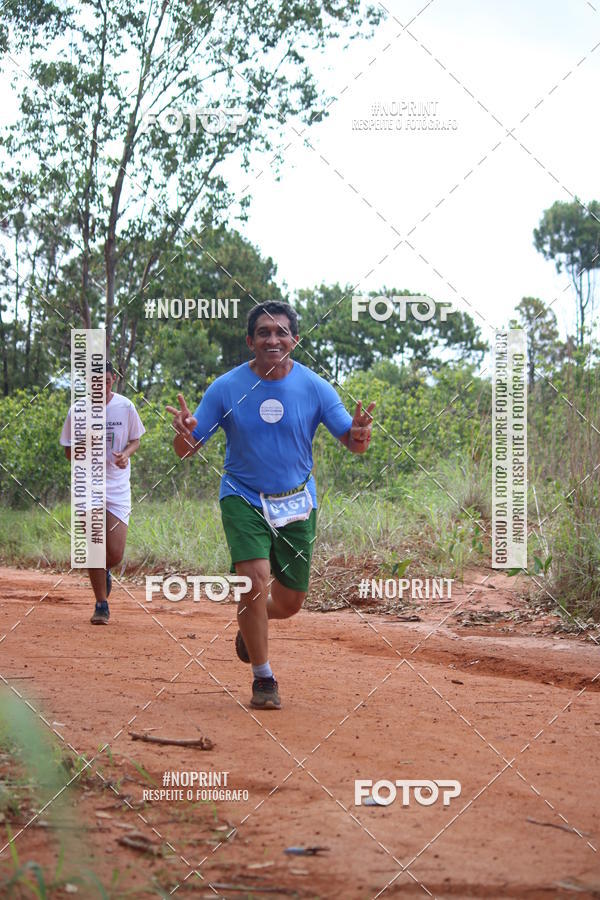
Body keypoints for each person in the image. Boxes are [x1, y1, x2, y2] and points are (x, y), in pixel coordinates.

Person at [166, 301, 374, 709]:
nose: (273, 339)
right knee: (254, 581)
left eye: (281, 332)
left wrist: (362, 433)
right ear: (250, 341)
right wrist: (184, 432)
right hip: (243, 496)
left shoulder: (315, 386)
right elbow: (187, 450)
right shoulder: (226, 387)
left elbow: (352, 443)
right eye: (263, 332)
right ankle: (264, 679)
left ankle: (251, 627)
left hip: (296, 501)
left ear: (294, 340)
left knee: (291, 601)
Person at [60, 361, 145, 624]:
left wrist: (125, 456)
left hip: (118, 485)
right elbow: (67, 451)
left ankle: (105, 571)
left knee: (115, 553)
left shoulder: (125, 406)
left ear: (113, 380)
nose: (101, 387)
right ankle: (101, 603)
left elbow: (136, 439)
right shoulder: (78, 410)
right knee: (95, 543)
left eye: (106, 381)